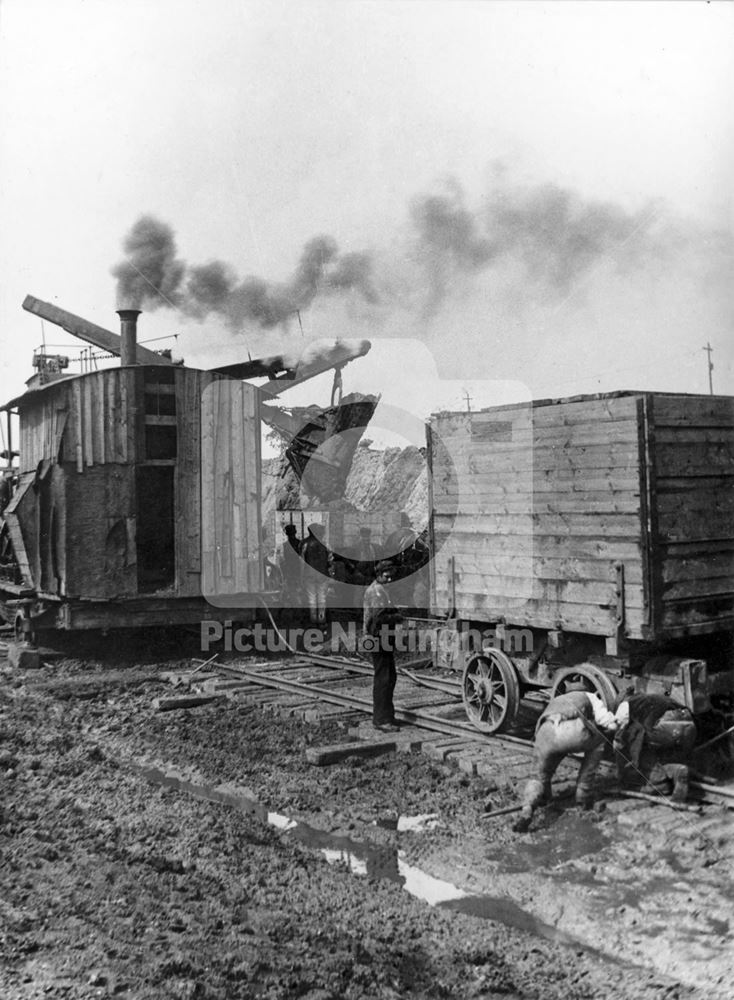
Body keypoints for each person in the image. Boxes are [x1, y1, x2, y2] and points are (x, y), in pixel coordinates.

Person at [513, 688, 619, 833]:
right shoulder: (592, 698)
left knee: (539, 774)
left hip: (545, 732)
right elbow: (607, 722)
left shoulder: (559, 699)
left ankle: (528, 808)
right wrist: (614, 725)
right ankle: (582, 796)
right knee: (599, 742)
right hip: (572, 732)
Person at [613, 692, 695, 803]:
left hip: (666, 723)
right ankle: (677, 770)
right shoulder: (647, 698)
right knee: (656, 748)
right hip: (688, 723)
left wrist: (620, 773)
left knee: (637, 741)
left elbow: (619, 738)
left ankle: (658, 780)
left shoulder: (625, 705)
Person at [363, 561, 403, 732]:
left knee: (389, 676)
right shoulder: (377, 592)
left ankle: (387, 715)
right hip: (378, 638)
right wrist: (398, 616)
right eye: (387, 575)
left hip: (382, 637)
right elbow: (380, 618)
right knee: (384, 678)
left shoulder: (380, 590)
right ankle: (381, 719)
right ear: (378, 575)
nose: (390, 578)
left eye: (391, 575)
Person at [300, 523, 330, 626]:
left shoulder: (304, 543)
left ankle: (313, 621)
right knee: (322, 598)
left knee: (311, 598)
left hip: (309, 575)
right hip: (322, 575)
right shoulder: (324, 544)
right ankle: (321, 621)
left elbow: (302, 562)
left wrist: (301, 576)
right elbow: (329, 560)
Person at [279, 524, 302, 607]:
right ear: (295, 533)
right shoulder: (300, 543)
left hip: (290, 571)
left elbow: (282, 561)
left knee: (291, 588)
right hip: (297, 570)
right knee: (297, 588)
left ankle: (294, 604)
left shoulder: (284, 545)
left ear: (286, 534)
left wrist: (283, 572)